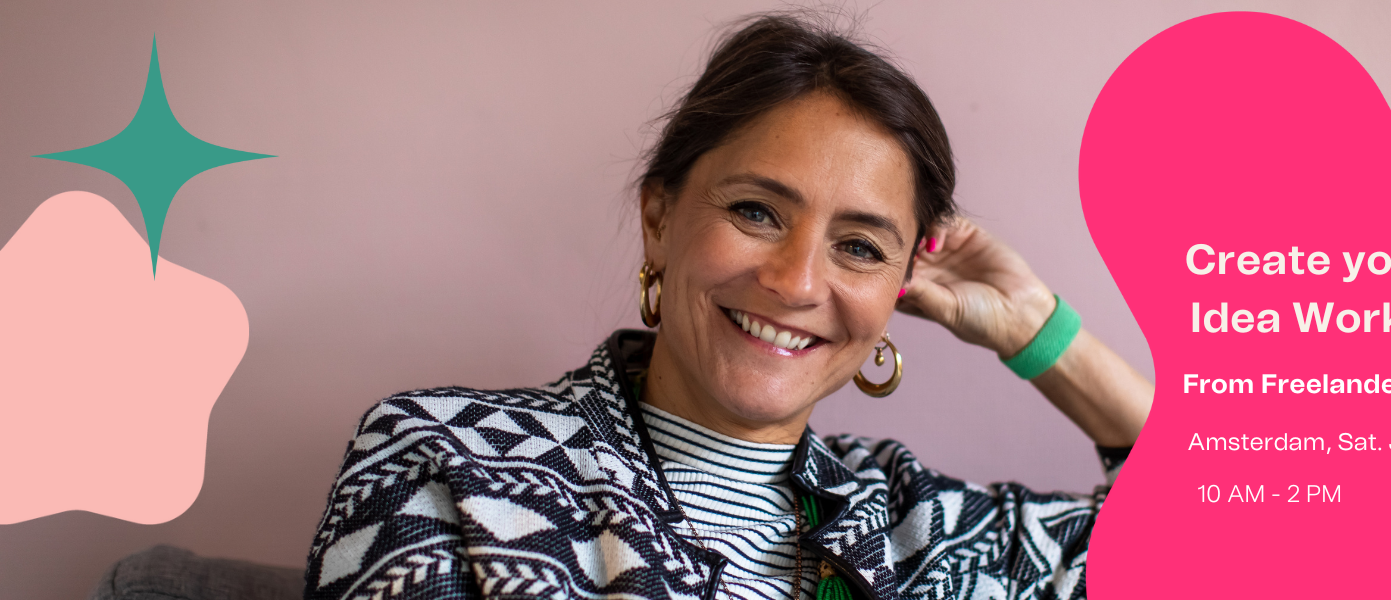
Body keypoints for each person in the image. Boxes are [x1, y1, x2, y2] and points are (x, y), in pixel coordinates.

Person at [304, 12, 1152, 600]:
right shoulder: (448, 459)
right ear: (659, 217)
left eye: (860, 247)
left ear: (899, 289)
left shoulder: (921, 532)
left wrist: (1037, 331)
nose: (797, 282)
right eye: (756, 212)